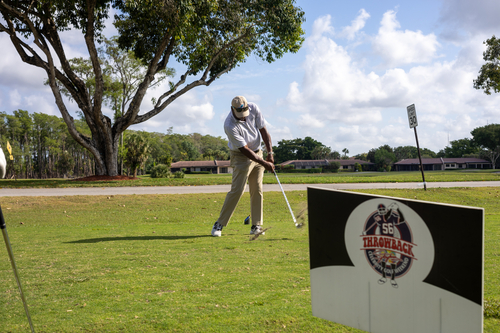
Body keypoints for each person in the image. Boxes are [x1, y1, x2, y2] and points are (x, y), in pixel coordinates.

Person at [211, 96, 275, 237]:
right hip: (241, 156)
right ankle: (219, 224)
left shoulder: (254, 108)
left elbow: (263, 130)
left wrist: (270, 153)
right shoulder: (229, 125)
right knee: (237, 190)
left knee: (257, 189)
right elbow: (244, 149)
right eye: (239, 115)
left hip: (258, 151)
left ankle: (256, 225)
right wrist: (265, 163)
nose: (242, 118)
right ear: (232, 109)